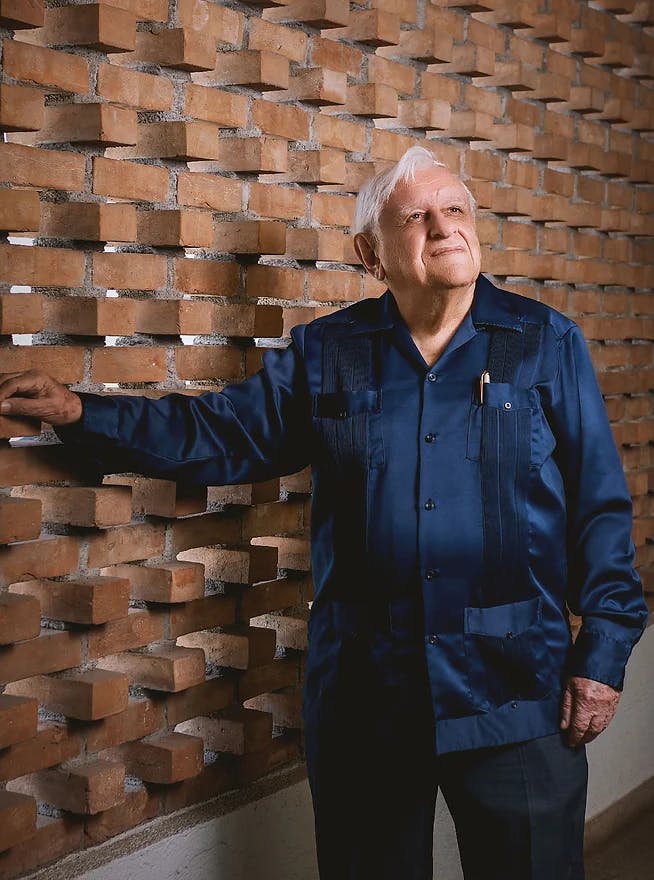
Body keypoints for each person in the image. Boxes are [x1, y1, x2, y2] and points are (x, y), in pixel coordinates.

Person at [0, 146, 648, 880]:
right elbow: (218, 435)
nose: (444, 228)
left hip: (517, 694)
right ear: (370, 254)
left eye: (456, 210)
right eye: (417, 217)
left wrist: (601, 656)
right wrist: (82, 413)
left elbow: (599, 507)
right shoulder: (327, 354)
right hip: (368, 703)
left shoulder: (546, 342)